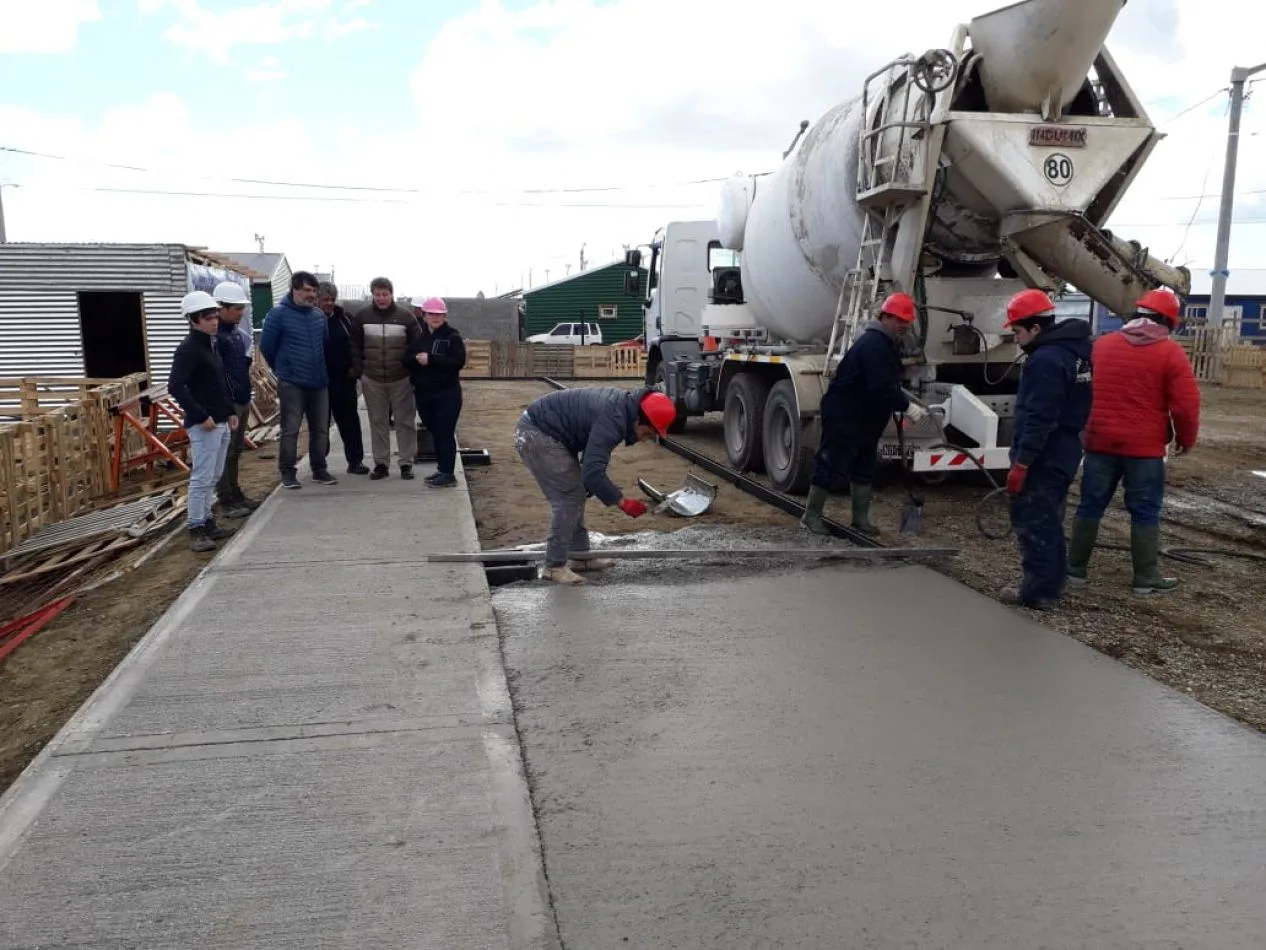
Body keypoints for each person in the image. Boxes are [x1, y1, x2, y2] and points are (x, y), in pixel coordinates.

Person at [1068, 288, 1200, 595]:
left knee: (1089, 505)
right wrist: (1186, 439)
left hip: (1100, 441)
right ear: (1168, 321)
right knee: (1145, 510)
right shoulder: (1170, 353)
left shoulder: (1103, 346)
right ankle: (1145, 578)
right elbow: (1185, 405)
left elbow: (1084, 389)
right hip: (1144, 448)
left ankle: (1075, 570)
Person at [515, 387, 676, 584]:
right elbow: (592, 473)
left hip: (550, 432)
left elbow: (590, 464)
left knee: (575, 493)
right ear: (639, 419)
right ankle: (554, 567)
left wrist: (590, 484)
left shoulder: (621, 410)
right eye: (648, 432)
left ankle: (581, 558)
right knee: (569, 497)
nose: (645, 438)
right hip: (537, 434)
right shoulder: (613, 420)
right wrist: (622, 502)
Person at [800, 292, 927, 536]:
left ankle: (860, 520)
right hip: (844, 416)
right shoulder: (874, 345)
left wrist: (898, 398)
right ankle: (811, 516)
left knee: (864, 466)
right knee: (830, 463)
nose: (904, 325)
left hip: (865, 419)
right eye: (899, 320)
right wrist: (906, 406)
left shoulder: (886, 344)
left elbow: (886, 383)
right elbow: (879, 386)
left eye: (906, 321)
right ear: (885, 317)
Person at [1000, 288, 1094, 610]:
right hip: (1067, 447)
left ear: (1035, 328)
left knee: (1034, 518)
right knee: (1050, 517)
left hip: (1046, 451)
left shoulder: (1046, 360)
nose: (1015, 338)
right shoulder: (1077, 354)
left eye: (1017, 331)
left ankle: (1037, 592)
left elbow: (1040, 418)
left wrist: (1022, 462)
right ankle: (1052, 584)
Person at [168, 291, 239, 552]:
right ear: (194, 320)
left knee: (214, 475)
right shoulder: (188, 349)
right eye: (208, 318)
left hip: (219, 420)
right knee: (201, 477)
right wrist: (200, 414)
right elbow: (176, 385)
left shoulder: (210, 345)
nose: (215, 321)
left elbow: (218, 384)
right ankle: (196, 526)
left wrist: (229, 410)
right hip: (204, 424)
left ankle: (208, 521)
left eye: (215, 316)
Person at [260, 271, 334, 489]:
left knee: (321, 429)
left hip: (319, 382)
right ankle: (288, 472)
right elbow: (267, 347)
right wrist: (283, 369)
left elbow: (324, 345)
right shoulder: (278, 315)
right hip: (292, 382)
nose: (311, 295)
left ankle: (319, 469)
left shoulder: (319, 316)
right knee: (290, 429)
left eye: (314, 291)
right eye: (306, 290)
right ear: (294, 290)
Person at [352, 276, 423, 480]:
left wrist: (411, 370)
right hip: (372, 379)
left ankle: (406, 463)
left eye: (385, 294)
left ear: (392, 294)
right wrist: (360, 371)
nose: (381, 298)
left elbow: (417, 345)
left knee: (405, 422)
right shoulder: (362, 316)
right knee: (378, 421)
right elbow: (354, 346)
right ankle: (381, 463)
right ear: (372, 295)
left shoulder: (406, 317)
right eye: (377, 294)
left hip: (401, 379)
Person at [407, 296, 467, 487]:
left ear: (445, 316)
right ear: (423, 315)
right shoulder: (421, 337)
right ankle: (442, 469)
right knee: (435, 432)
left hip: (447, 393)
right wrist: (414, 359)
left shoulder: (453, 337)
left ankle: (448, 474)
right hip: (425, 393)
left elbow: (457, 362)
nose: (435, 317)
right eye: (432, 314)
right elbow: (406, 358)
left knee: (445, 433)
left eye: (439, 314)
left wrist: (431, 359)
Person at [212, 281, 258, 518]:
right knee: (227, 451)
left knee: (236, 450)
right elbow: (217, 375)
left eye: (242, 308)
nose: (241, 312)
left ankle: (236, 493)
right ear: (221, 308)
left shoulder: (236, 336)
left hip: (241, 398)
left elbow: (241, 367)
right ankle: (226, 498)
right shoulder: (216, 338)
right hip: (228, 403)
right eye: (236, 308)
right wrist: (226, 404)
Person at [317, 282, 368, 475]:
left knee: (350, 423)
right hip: (319, 383)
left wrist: (356, 368)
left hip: (344, 381)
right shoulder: (310, 320)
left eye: (332, 299)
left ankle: (355, 461)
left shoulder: (346, 320)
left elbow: (359, 345)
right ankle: (319, 464)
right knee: (320, 425)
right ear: (317, 300)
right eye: (325, 300)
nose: (329, 303)